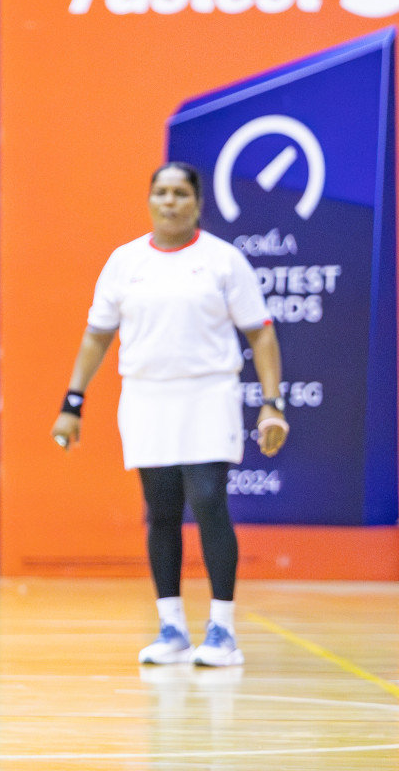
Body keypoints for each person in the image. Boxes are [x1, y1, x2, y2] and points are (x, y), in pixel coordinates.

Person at [52, 161, 288, 668]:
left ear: (197, 203)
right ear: (149, 200)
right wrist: (73, 402)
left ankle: (222, 630)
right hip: (145, 397)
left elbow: (261, 332)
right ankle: (172, 626)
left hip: (209, 394)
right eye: (161, 192)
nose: (170, 201)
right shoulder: (125, 261)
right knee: (160, 511)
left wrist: (273, 403)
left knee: (206, 500)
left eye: (180, 193)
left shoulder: (223, 261)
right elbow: (97, 335)